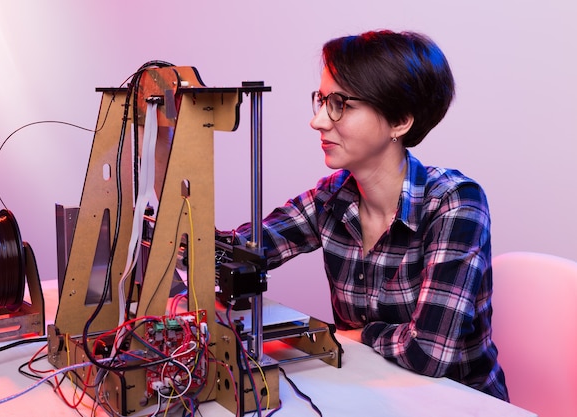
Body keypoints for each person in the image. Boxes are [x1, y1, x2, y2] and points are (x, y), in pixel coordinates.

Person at [217, 29, 509, 401]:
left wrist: (358, 335)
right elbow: (234, 254)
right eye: (321, 101)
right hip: (370, 393)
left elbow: (430, 354)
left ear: (400, 121)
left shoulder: (456, 204)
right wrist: (174, 152)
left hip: (459, 402)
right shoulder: (333, 195)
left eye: (340, 104)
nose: (319, 121)